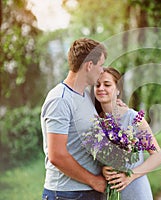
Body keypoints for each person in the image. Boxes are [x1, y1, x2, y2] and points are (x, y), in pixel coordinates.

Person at [41, 38, 108, 200]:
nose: (102, 70)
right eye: (100, 64)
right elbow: (56, 155)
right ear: (89, 65)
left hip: (88, 191)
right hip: (67, 194)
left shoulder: (85, 96)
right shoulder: (60, 99)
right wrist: (94, 181)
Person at [91, 67, 161, 200]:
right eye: (97, 85)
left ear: (118, 89)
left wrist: (130, 175)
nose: (101, 88)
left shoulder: (134, 118)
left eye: (107, 84)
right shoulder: (95, 122)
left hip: (136, 191)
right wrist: (102, 169)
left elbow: (158, 156)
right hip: (108, 193)